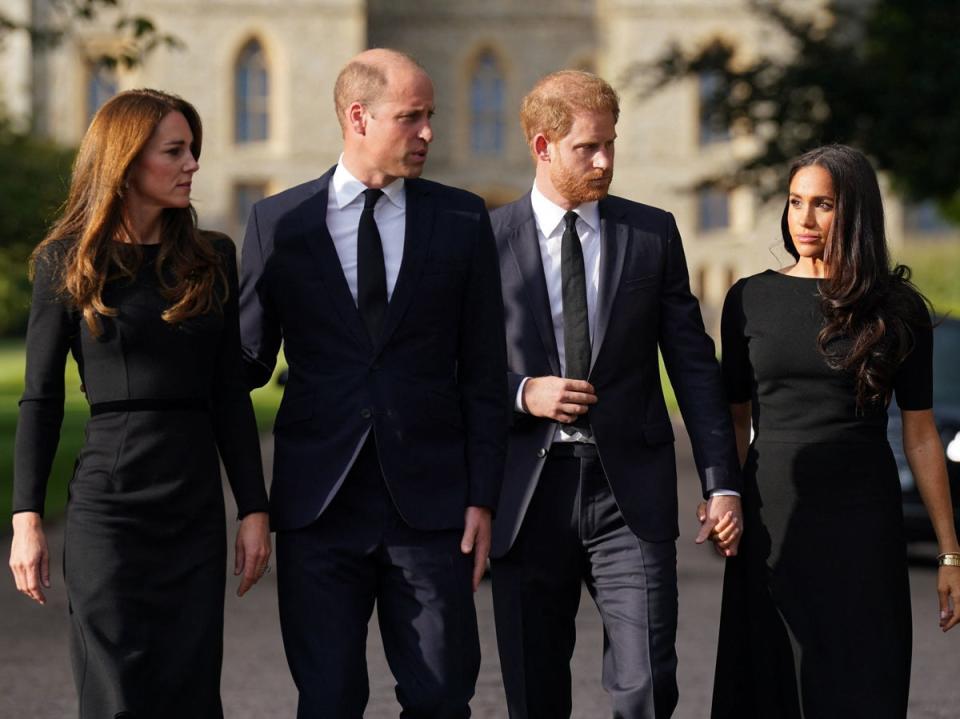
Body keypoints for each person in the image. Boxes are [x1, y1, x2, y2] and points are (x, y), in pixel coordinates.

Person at [238, 49, 507, 718]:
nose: (428, 133)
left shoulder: (463, 218)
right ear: (358, 117)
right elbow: (241, 365)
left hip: (431, 508)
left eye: (430, 117)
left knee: (443, 695)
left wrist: (483, 497)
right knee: (328, 700)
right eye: (411, 117)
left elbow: (483, 371)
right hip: (317, 506)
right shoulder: (279, 224)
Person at [7, 89, 271, 717]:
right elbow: (40, 400)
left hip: (193, 505)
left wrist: (254, 509)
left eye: (193, 150)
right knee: (115, 693)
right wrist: (26, 519)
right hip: (109, 508)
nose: (192, 165)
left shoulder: (213, 259)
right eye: (175, 151)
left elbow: (229, 395)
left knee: (189, 689)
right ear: (125, 162)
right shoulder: (64, 263)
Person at [487, 70, 742, 719]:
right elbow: (449, 369)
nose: (604, 162)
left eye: (611, 145)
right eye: (586, 148)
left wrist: (721, 480)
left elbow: (693, 365)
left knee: (648, 683)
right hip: (527, 495)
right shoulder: (484, 243)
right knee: (534, 691)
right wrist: (522, 392)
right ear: (542, 147)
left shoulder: (651, 235)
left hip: (628, 494)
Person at [710, 144, 960, 718]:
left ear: (855, 212)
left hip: (862, 524)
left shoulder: (896, 308)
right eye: (796, 201)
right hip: (772, 519)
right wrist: (722, 495)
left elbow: (920, 435)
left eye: (823, 204)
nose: (804, 218)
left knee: (859, 682)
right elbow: (734, 416)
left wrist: (950, 554)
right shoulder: (749, 298)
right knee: (767, 681)